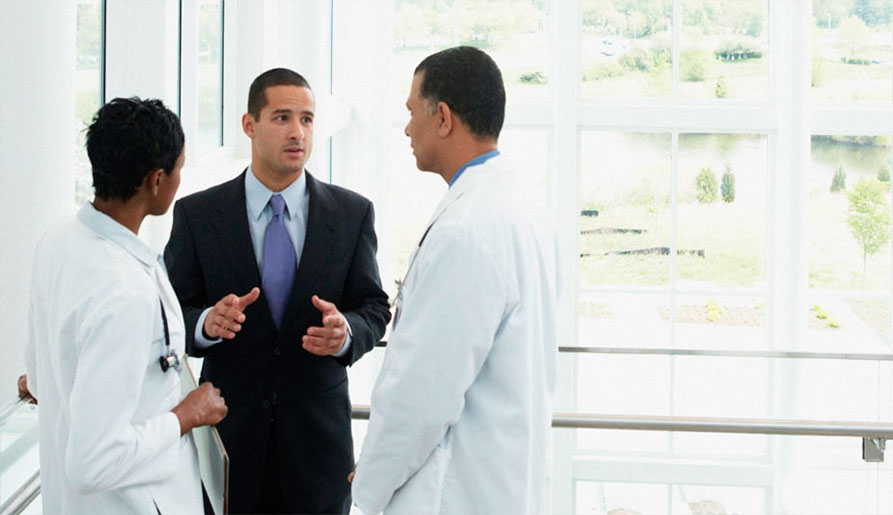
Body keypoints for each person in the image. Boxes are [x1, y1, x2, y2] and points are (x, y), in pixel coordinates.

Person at [164, 68, 390, 514]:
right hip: (228, 442)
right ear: (250, 125)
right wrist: (206, 323)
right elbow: (169, 316)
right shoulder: (198, 214)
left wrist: (346, 333)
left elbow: (373, 307)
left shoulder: (351, 214)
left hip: (317, 449)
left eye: (306, 119)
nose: (297, 132)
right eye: (282, 117)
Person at [350, 46, 562, 514]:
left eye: (412, 113)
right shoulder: (521, 209)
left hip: (454, 491)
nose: (407, 129)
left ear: (442, 117)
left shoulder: (466, 230)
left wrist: (366, 486)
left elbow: (422, 396)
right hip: (499, 483)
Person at [23, 97, 228, 514]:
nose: (179, 179)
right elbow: (93, 463)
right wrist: (186, 415)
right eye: (179, 169)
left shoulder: (59, 240)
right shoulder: (124, 293)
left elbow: (42, 382)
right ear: (156, 180)